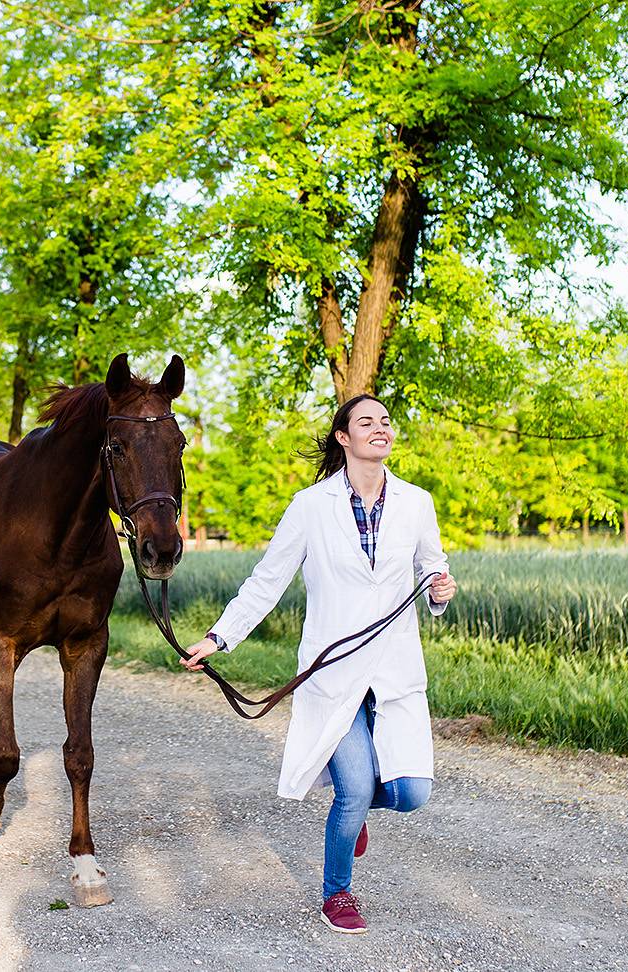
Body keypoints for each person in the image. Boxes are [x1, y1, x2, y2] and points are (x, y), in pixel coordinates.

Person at [181, 394, 456, 934]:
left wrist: (440, 591)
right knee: (353, 788)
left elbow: (432, 569)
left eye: (385, 422)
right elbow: (268, 580)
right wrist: (220, 636)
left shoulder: (417, 502)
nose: (380, 429)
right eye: (365, 422)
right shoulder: (310, 507)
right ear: (343, 438)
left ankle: (352, 817)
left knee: (411, 793)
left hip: (395, 671)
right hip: (334, 673)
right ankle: (338, 893)